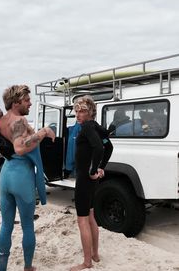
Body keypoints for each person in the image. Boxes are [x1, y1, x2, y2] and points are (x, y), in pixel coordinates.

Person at [0, 85, 55, 271]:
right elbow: (21, 148)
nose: (30, 103)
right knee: (27, 226)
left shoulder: (0, 119)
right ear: (16, 103)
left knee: (6, 226)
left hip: (5, 174)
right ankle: (28, 267)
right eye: (26, 100)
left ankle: (2, 268)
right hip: (21, 176)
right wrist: (43, 132)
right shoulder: (19, 121)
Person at [70, 95, 113, 271]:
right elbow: (108, 146)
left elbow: (99, 147)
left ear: (91, 112)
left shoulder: (87, 127)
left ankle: (87, 262)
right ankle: (94, 255)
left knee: (82, 220)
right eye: (77, 111)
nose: (78, 114)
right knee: (91, 216)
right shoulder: (95, 126)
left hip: (84, 179)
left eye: (83, 111)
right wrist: (101, 168)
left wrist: (94, 169)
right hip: (91, 181)